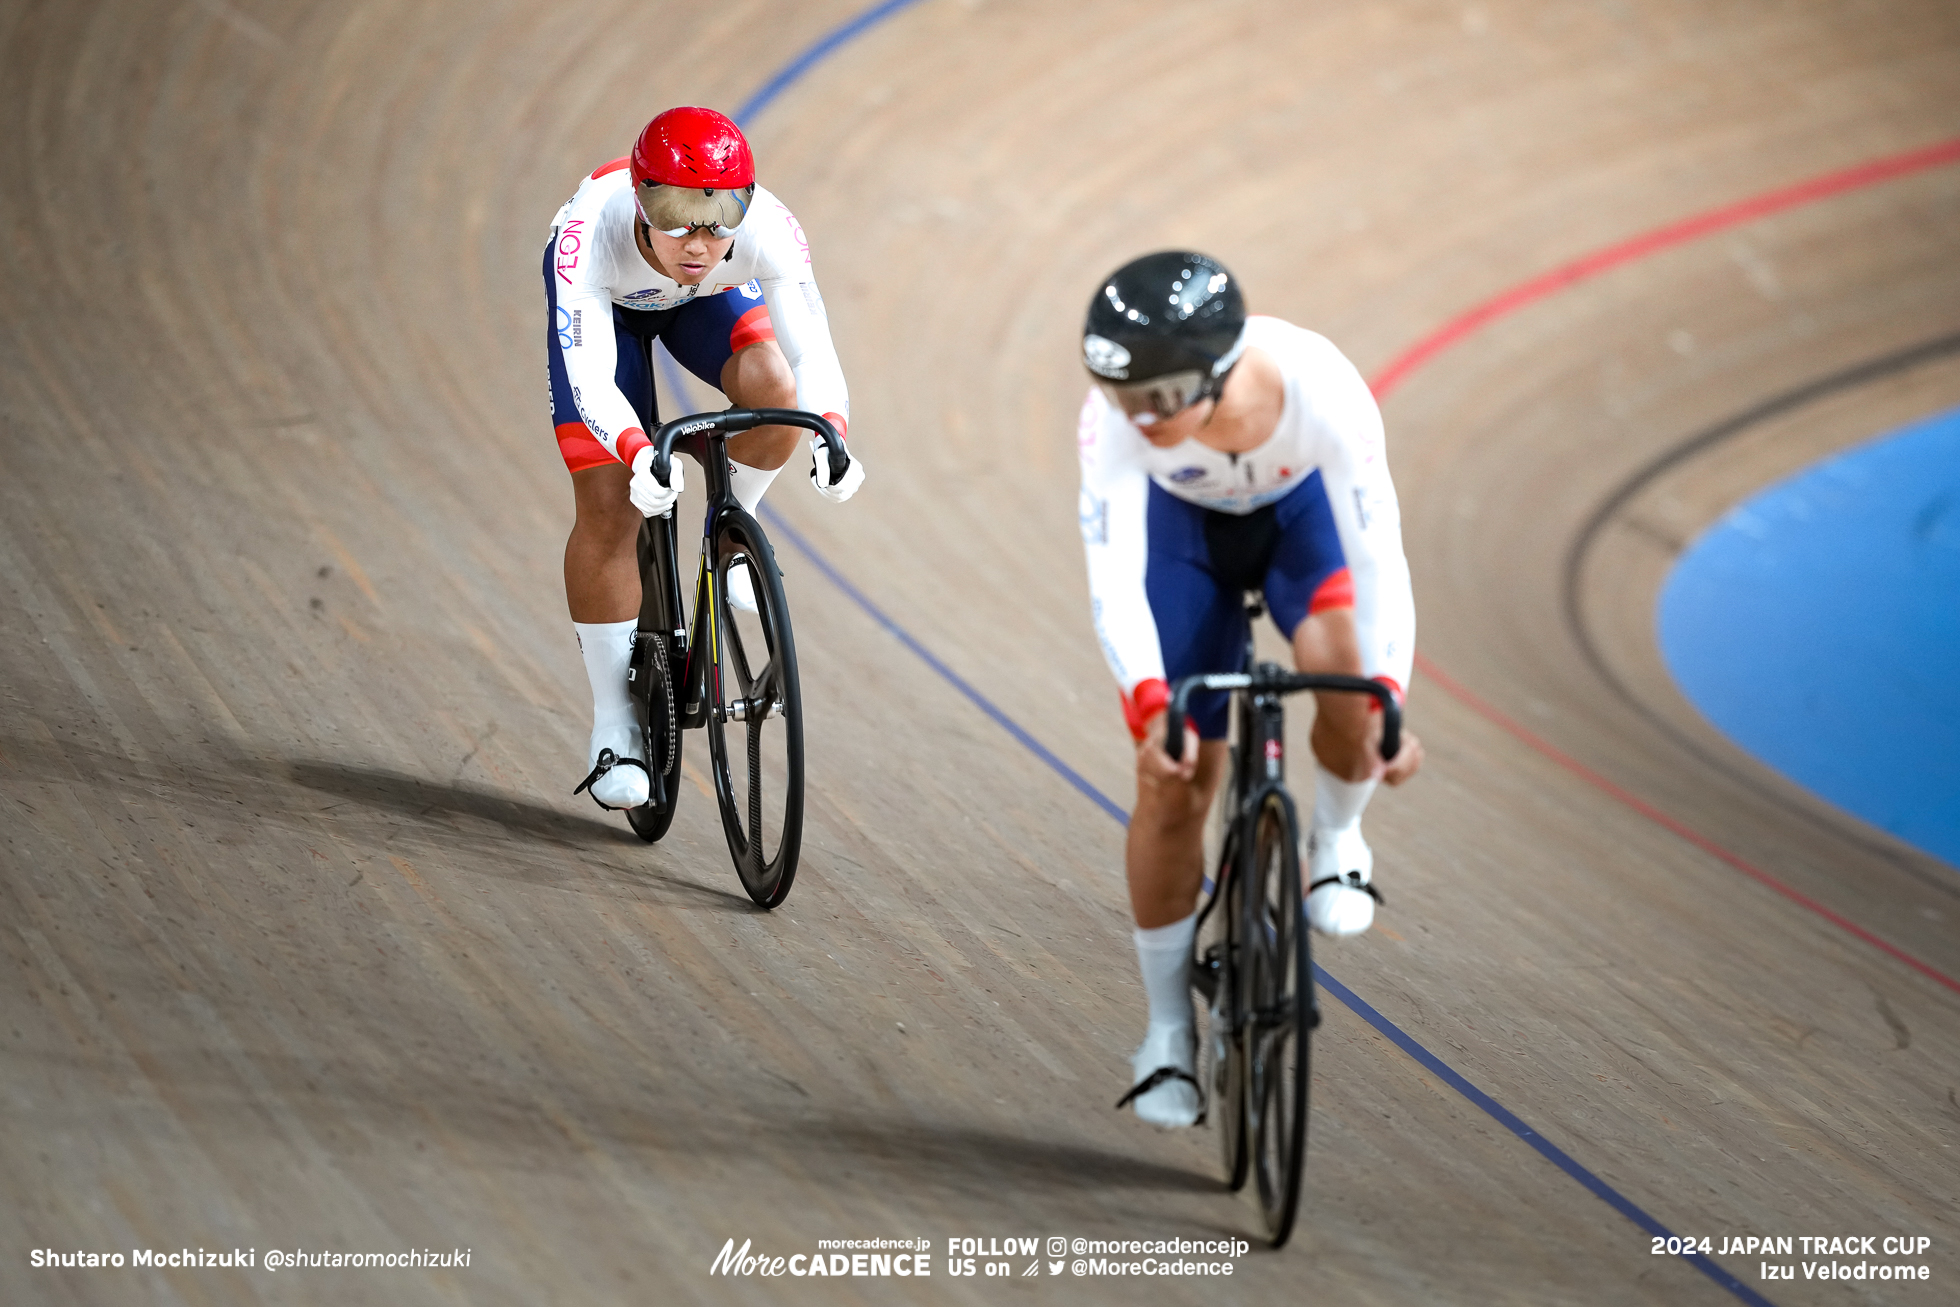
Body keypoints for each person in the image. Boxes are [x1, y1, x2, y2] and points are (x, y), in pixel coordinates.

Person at [1075, 251, 1423, 1127]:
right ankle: (1165, 1035)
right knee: (1173, 778)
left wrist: (1389, 700)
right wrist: (1151, 705)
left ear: (1219, 372)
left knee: (1348, 671)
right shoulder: (1115, 419)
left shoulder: (1323, 389)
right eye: (1124, 396)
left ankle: (1338, 838)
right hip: (1181, 543)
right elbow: (1113, 576)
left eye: (1160, 397)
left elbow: (1379, 559)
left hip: (1299, 527)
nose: (1139, 416)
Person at [545, 106, 864, 812]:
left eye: (718, 215)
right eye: (673, 211)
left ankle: (733, 526)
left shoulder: (767, 232)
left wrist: (832, 433)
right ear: (638, 197)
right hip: (608, 316)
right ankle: (615, 726)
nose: (696, 239)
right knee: (609, 505)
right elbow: (590, 377)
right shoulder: (587, 236)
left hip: (700, 307)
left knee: (776, 388)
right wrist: (635, 452)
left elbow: (813, 351)